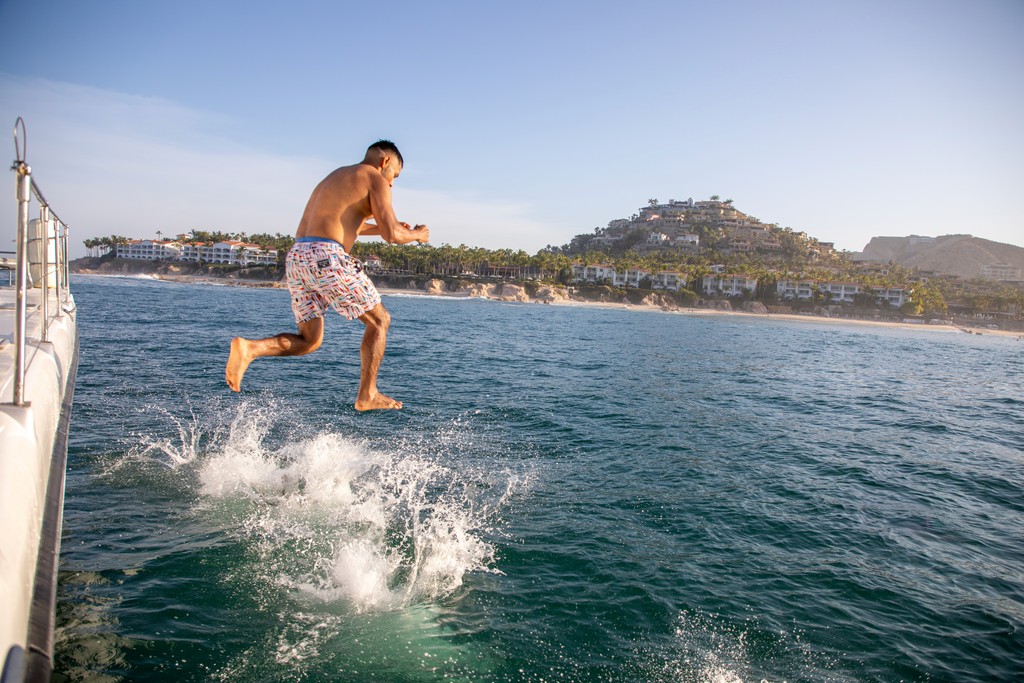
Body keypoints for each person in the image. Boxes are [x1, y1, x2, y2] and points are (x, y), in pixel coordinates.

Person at [225, 140, 429, 410]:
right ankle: (367, 394)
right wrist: (417, 235)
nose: (391, 184)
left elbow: (349, 223)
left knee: (310, 341)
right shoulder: (374, 177)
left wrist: (383, 226)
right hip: (326, 256)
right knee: (380, 321)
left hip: (299, 256)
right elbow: (393, 234)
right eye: (395, 177)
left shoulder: (336, 177)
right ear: (385, 162)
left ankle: (250, 349)